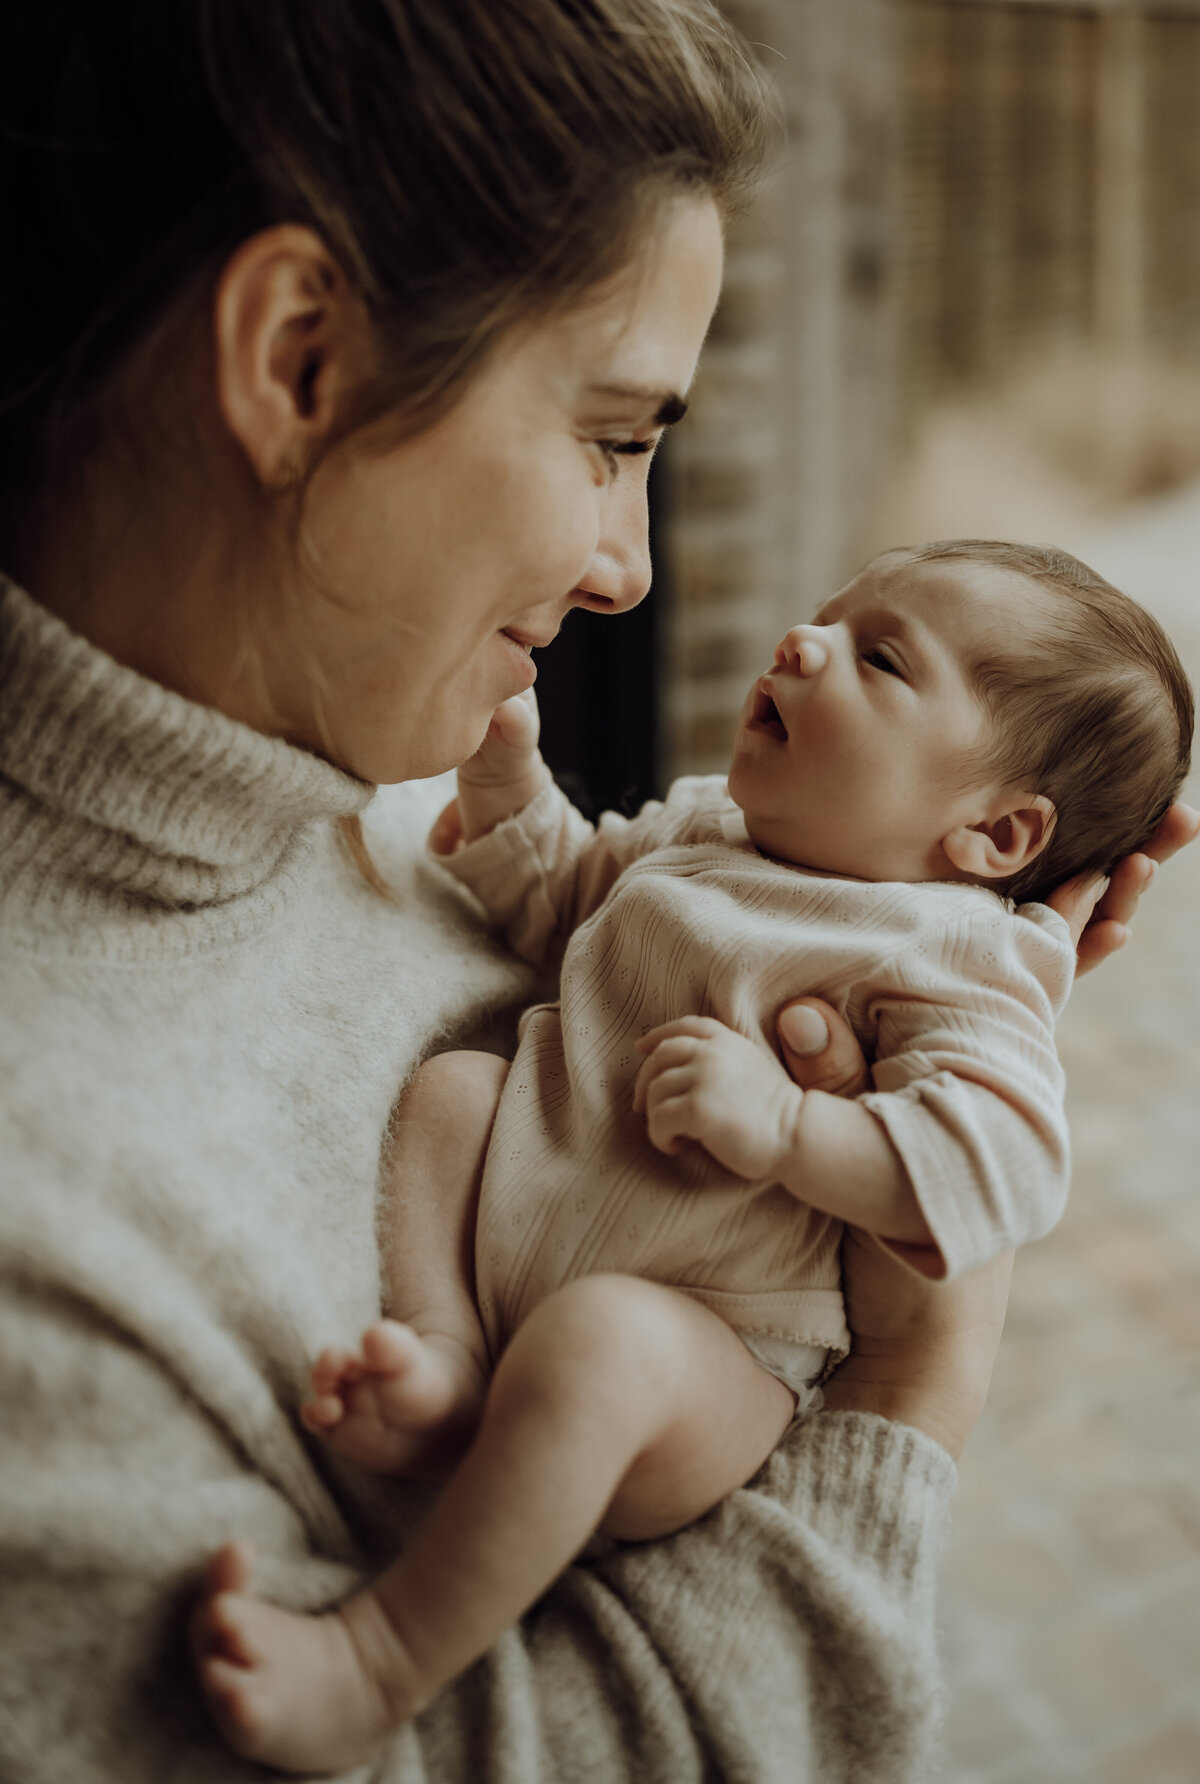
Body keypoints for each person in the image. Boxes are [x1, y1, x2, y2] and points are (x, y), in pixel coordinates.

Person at [0, 5, 1193, 1782]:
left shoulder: (340, 777)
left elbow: (915, 1100)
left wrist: (893, 1069)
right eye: (613, 436)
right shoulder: (56, 1252)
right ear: (303, 361)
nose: (634, 568)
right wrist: (914, 1368)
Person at [190, 538, 1193, 1772]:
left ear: (995, 833)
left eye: (879, 657)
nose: (803, 641)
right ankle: (450, 1355)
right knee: (458, 1089)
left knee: (600, 1341)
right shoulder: (707, 826)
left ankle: (378, 1660)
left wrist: (789, 1127)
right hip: (519, 1225)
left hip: (698, 1357)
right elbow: (562, 897)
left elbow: (1001, 1166)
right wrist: (512, 796)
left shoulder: (957, 955)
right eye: (826, 615)